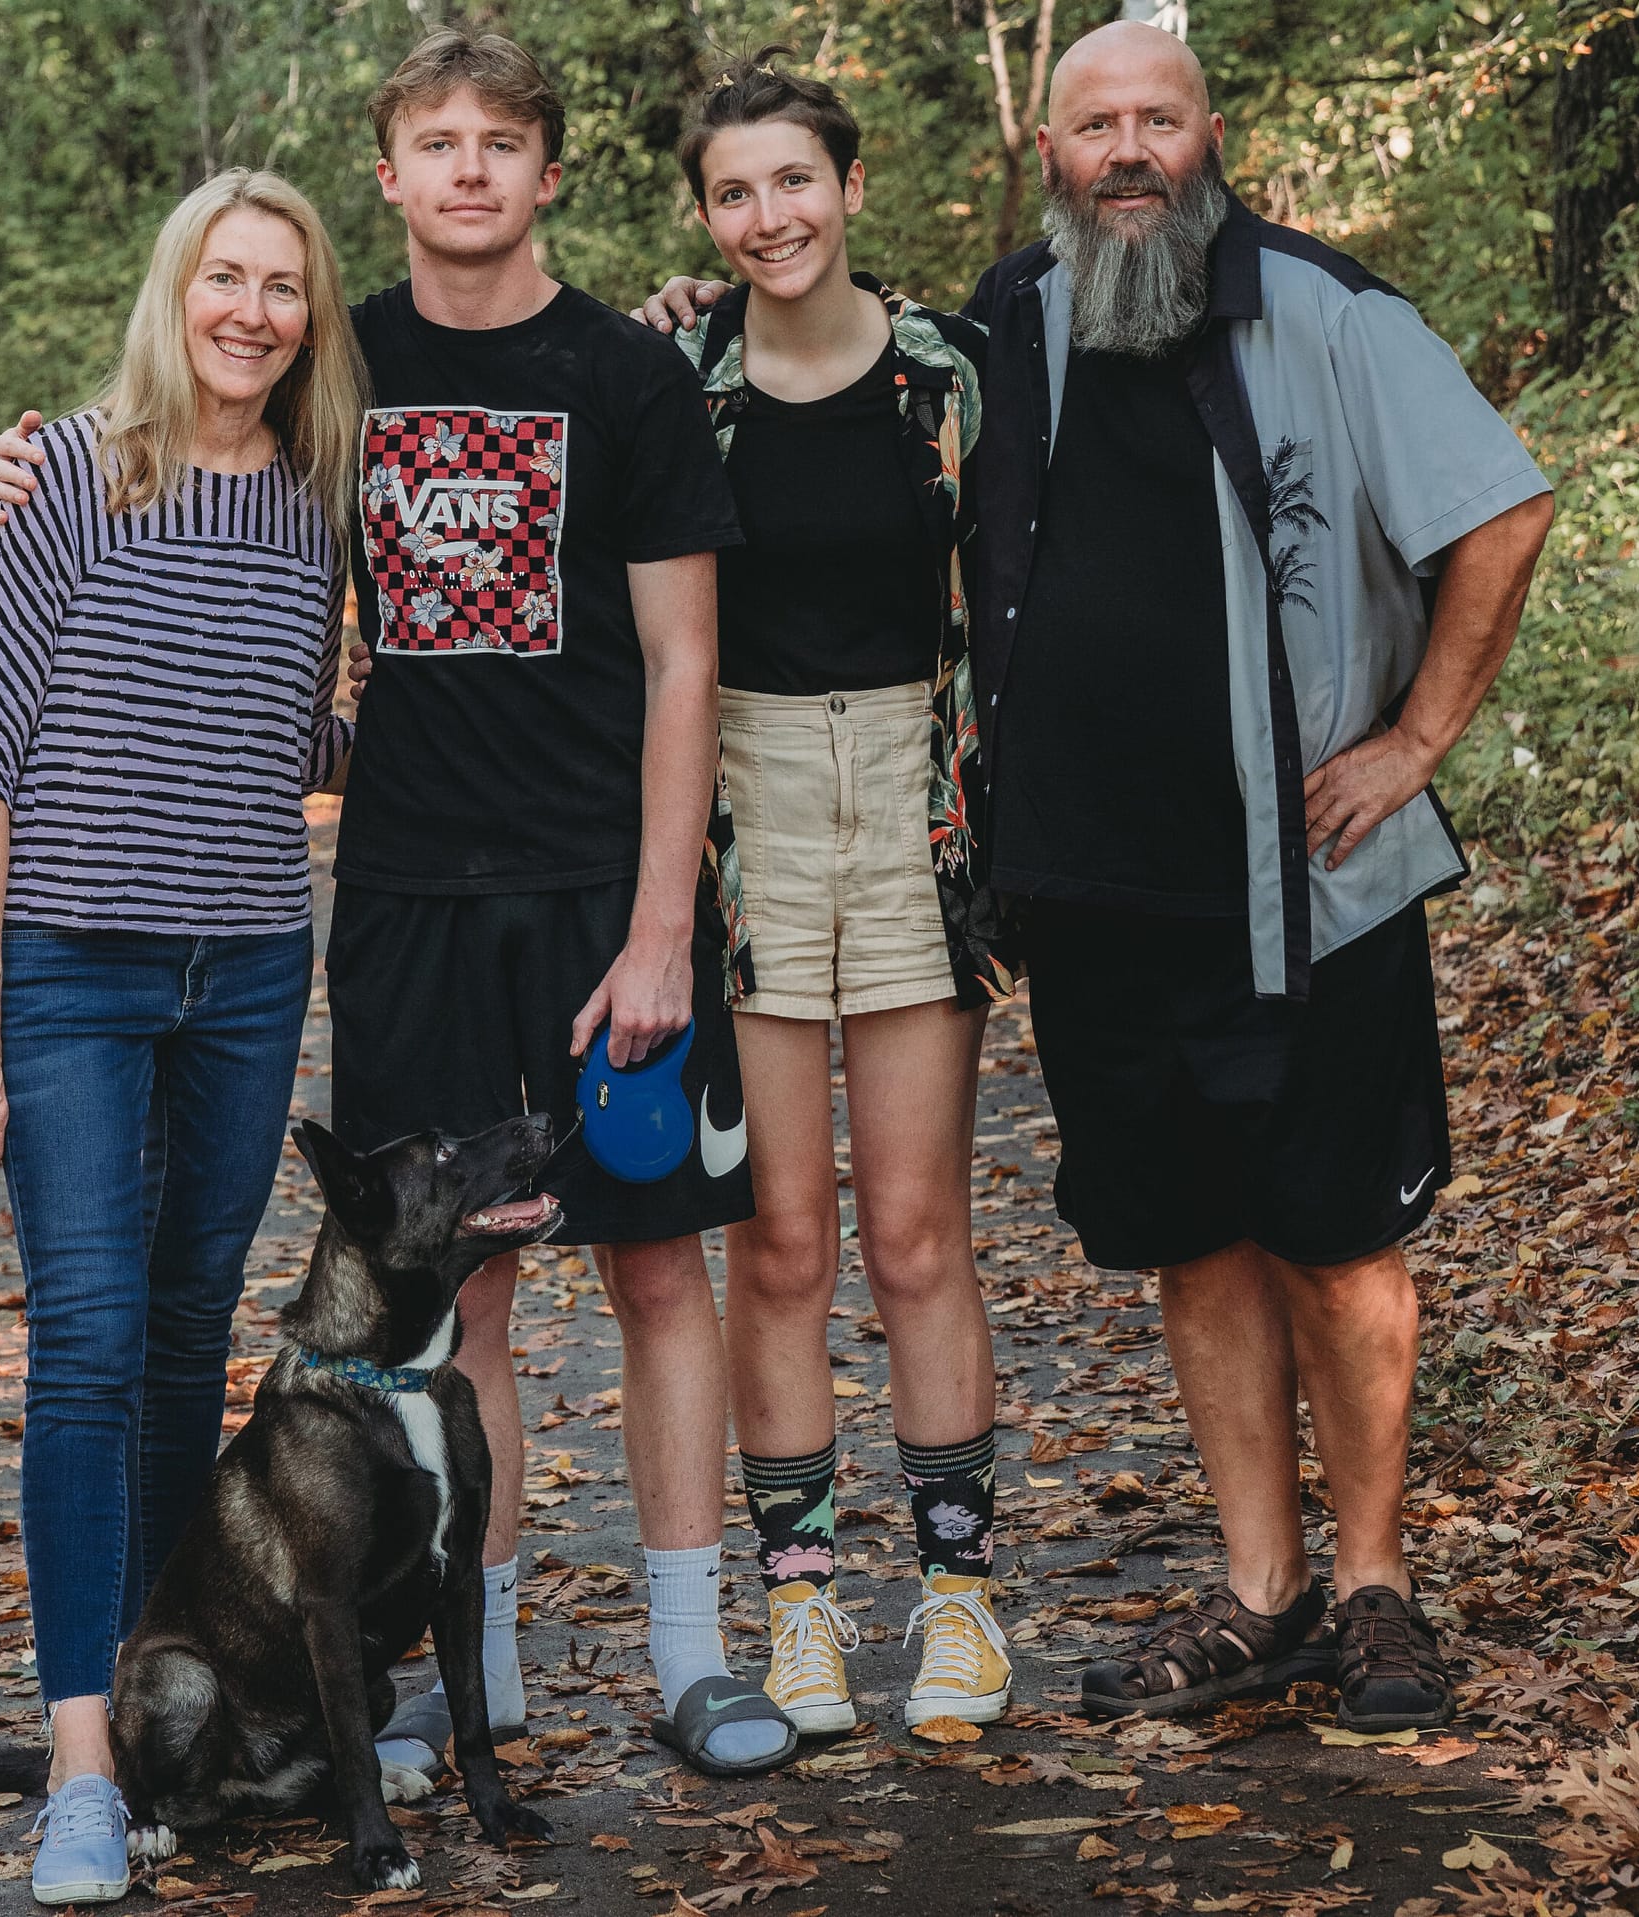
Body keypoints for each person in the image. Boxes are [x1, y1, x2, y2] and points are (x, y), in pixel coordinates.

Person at [645, 21, 1554, 1732]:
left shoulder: (1324, 308)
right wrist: (674, 331)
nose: (1125, 150)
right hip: (1090, 889)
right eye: (1094, 125)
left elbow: (1497, 510)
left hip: (1308, 875)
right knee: (1193, 1236)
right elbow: (833, 370)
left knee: (1338, 1239)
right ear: (1047, 150)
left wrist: (1413, 742)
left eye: (1156, 119)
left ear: (1208, 133)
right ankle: (1259, 1586)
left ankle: (1373, 1586)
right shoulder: (1012, 324)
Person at [0, 28, 795, 1782]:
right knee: (461, 1305)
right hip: (408, 892)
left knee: (660, 1270)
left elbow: (682, 662)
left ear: (549, 170)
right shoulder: (341, 377)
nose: (473, 170)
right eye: (439, 142)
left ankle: (689, 1652)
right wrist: (28, 465)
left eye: (505, 141)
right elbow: (182, 458)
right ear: (393, 174)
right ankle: (477, 1674)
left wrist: (665, 925)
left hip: (598, 892)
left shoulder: (624, 376)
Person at [0, 168, 365, 1903]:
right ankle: (86, 1764)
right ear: (175, 289)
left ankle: (181, 1696)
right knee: (89, 1349)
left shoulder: (319, 499)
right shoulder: (67, 479)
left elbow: (294, 737)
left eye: (286, 288)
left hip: (250, 966)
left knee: (192, 1337)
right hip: (67, 973)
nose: (252, 311)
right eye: (226, 278)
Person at [663, 53, 1015, 1736]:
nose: (765, 218)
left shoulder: (949, 373)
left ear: (850, 188)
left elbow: (1015, 593)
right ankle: (801, 1606)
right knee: (783, 1240)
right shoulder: (677, 376)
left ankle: (956, 1601)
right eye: (732, 193)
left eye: (791, 181)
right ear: (706, 217)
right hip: (741, 811)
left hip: (913, 804)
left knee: (915, 1231)